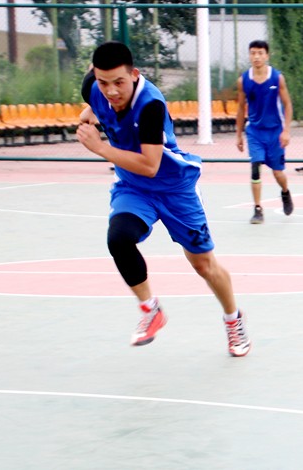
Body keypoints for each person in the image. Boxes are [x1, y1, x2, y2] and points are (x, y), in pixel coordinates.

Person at [76, 41, 251, 356]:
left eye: (119, 82)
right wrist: (91, 111)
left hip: (174, 188)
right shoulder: (93, 87)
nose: (111, 91)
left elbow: (150, 165)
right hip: (134, 188)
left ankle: (233, 319)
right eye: (103, 83)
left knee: (204, 265)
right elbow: (93, 100)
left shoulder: (150, 106)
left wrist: (100, 147)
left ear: (134, 74)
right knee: (119, 239)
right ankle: (151, 309)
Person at [235, 40, 294, 224]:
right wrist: (238, 135)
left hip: (275, 132)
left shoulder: (277, 78)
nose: (256, 57)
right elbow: (240, 108)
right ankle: (258, 209)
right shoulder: (243, 80)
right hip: (254, 132)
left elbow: (287, 104)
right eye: (253, 53)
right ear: (249, 56)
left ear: (267, 55)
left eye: (260, 53)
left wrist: (286, 131)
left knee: (278, 173)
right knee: (255, 167)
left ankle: (285, 192)